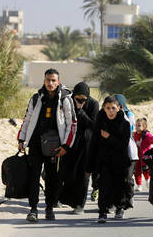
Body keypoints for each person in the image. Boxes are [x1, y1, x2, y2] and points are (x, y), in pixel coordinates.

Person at [17, 68, 77, 222]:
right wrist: (22, 139)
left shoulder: (65, 99)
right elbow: (27, 119)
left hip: (55, 146)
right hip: (36, 144)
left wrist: (66, 146)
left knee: (52, 178)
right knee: (34, 176)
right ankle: (33, 209)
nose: (50, 83)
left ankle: (49, 208)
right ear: (44, 81)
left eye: (53, 80)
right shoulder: (36, 98)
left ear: (58, 82)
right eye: (48, 80)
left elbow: (72, 124)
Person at [86, 96, 132, 223]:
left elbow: (123, 145)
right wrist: (89, 166)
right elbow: (93, 145)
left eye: (113, 108)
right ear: (103, 109)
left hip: (119, 162)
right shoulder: (99, 124)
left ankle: (119, 208)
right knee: (104, 186)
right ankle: (102, 212)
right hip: (103, 161)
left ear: (118, 108)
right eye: (108, 108)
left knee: (119, 187)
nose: (111, 111)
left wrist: (109, 137)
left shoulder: (125, 124)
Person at [59, 82, 99, 215]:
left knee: (83, 175)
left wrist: (80, 110)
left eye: (83, 98)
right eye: (78, 98)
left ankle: (79, 205)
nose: (80, 100)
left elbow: (94, 125)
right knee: (67, 171)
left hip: (86, 144)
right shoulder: (68, 101)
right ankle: (64, 199)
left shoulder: (93, 104)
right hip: (70, 142)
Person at [114, 94, 137, 208]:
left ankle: (130, 195)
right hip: (116, 153)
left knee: (127, 178)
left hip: (129, 153)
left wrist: (122, 115)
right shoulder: (109, 116)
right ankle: (119, 204)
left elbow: (129, 128)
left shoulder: (129, 115)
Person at [133, 118, 153, 192]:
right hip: (136, 157)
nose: (137, 127)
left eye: (139, 125)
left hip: (145, 157)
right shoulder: (134, 135)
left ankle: (147, 180)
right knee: (137, 172)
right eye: (136, 125)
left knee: (146, 171)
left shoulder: (146, 135)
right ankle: (139, 185)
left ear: (144, 127)